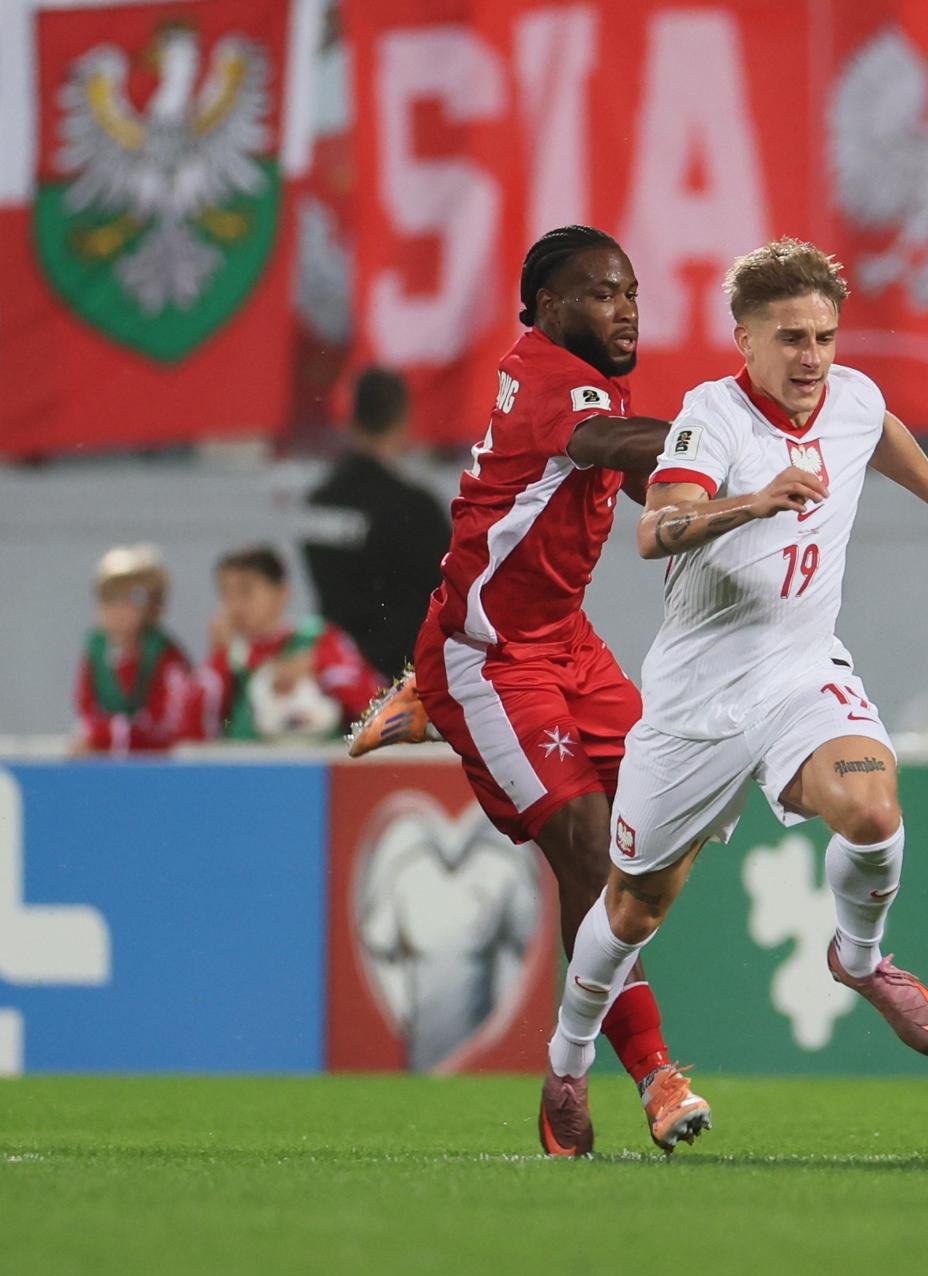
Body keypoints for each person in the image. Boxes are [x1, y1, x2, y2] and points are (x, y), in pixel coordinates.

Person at [536, 238, 928, 1157]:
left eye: (824, 335)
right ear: (744, 339)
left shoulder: (851, 397)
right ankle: (567, 1065)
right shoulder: (714, 417)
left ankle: (858, 960)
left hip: (801, 673)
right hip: (698, 704)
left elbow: (881, 429)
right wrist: (751, 502)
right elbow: (657, 529)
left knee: (870, 807)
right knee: (631, 909)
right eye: (790, 338)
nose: (812, 357)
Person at [348, 226, 699, 1155]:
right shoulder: (550, 376)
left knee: (653, 841)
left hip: (567, 647)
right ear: (546, 309)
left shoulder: (589, 381)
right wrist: (732, 432)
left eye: (629, 290)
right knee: (586, 851)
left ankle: (427, 702)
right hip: (490, 655)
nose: (623, 307)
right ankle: (648, 1074)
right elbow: (612, 440)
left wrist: (712, 507)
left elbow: (628, 465)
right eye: (599, 293)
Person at [301, 367, 453, 681]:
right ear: (402, 421)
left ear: (352, 420)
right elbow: (450, 595)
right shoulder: (415, 509)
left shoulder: (319, 502)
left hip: (336, 676)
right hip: (402, 682)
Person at [203, 544, 383, 741]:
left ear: (282, 592)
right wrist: (219, 660)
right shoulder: (228, 658)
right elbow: (196, 731)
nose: (235, 606)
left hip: (316, 764)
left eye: (246, 591)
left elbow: (377, 705)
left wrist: (319, 667)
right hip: (244, 765)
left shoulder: (319, 640)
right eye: (226, 593)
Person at [74, 545, 202, 755]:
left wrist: (109, 737)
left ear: (151, 605)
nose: (119, 609)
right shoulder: (96, 653)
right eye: (110, 597)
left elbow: (168, 729)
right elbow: (87, 710)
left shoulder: (168, 659)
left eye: (132, 597)